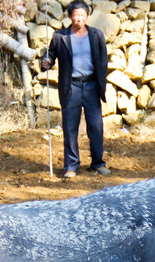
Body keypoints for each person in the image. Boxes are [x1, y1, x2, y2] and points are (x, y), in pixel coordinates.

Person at [41, 0, 110, 178]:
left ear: (87, 16)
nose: (79, 18)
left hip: (91, 86)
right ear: (70, 16)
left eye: (82, 15)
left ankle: (97, 163)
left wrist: (101, 82)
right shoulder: (60, 36)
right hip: (70, 86)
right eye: (76, 15)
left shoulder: (97, 35)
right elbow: (50, 55)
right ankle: (71, 165)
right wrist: (46, 61)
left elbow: (103, 60)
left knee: (96, 126)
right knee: (70, 127)